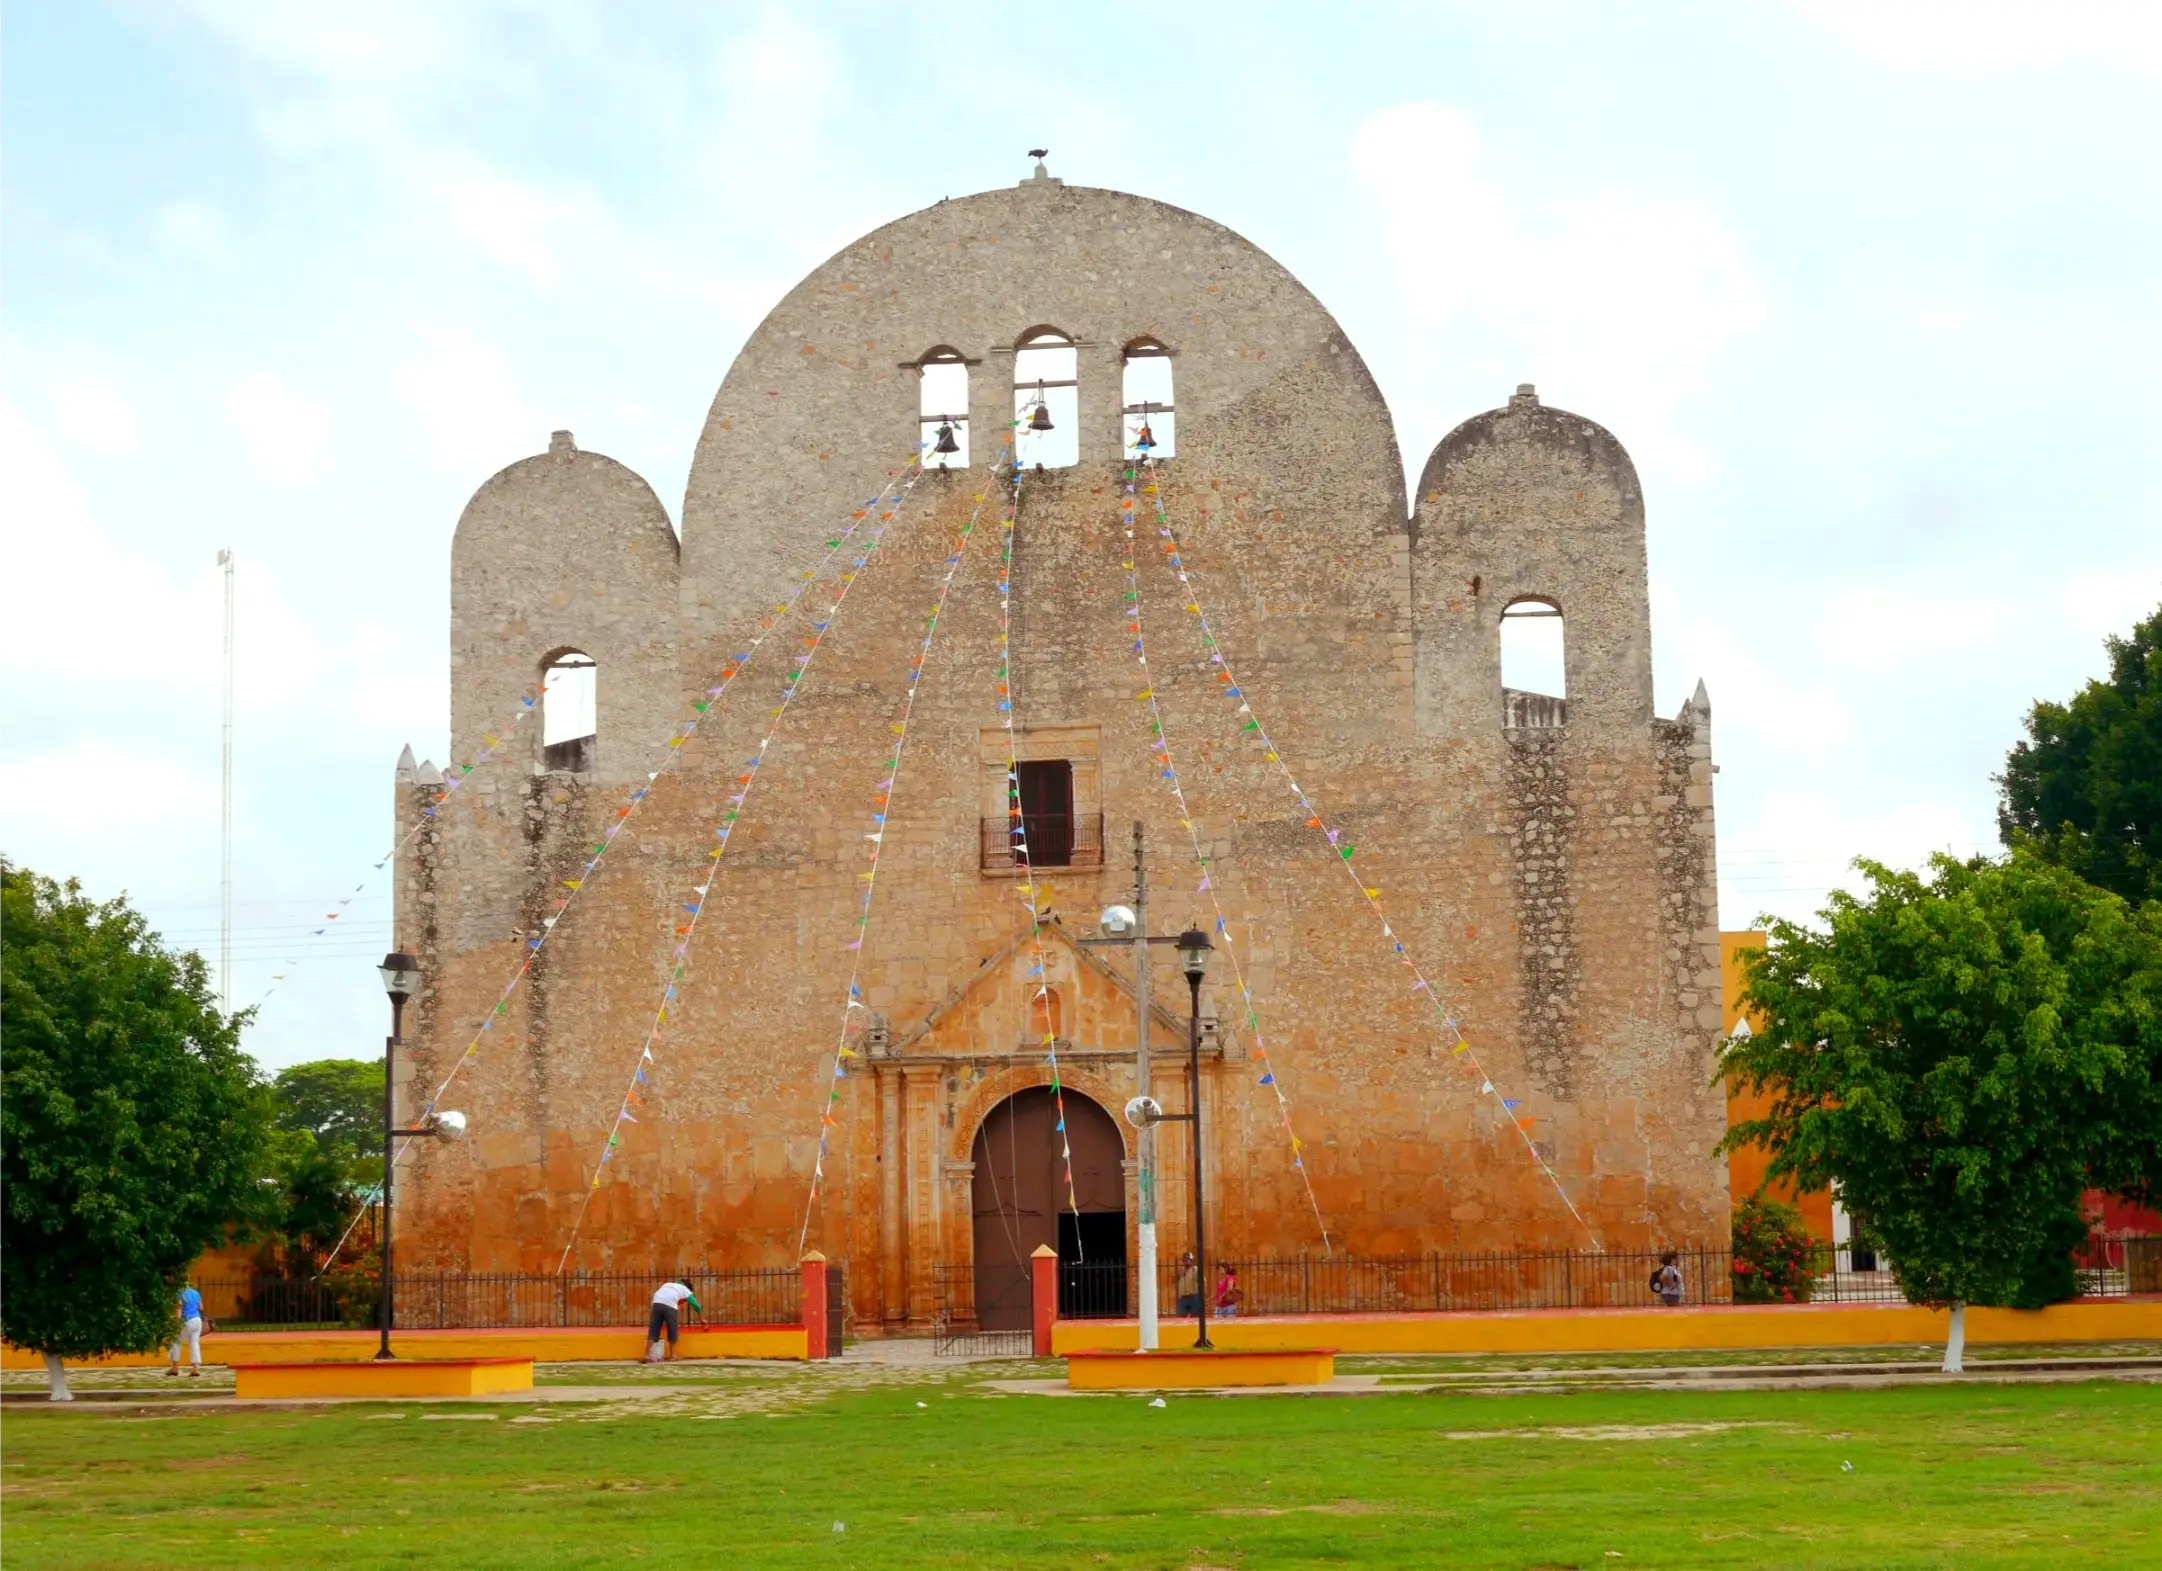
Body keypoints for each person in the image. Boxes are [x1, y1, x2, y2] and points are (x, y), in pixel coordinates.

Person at [645, 1280, 705, 1362]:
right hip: (670, 1305)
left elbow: (662, 1295)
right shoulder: (685, 1289)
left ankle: (646, 1355)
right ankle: (673, 1355)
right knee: (672, 1329)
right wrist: (702, 1319)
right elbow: (696, 1306)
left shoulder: (667, 1284)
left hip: (656, 1303)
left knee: (654, 1329)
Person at [167, 1282, 210, 1377]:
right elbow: (201, 1307)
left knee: (176, 1342)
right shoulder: (196, 1293)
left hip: (186, 1320)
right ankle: (196, 1369)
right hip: (197, 1320)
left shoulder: (179, 1294)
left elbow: (179, 1309)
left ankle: (175, 1368)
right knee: (194, 1344)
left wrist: (176, 1323)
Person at [1173, 1251, 1200, 1317]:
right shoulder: (1181, 1270)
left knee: (1195, 1317)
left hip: (1193, 1297)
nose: (1184, 1262)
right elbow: (1174, 1281)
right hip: (1183, 1298)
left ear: (1191, 1260)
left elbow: (1203, 1282)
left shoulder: (1195, 1270)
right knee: (1181, 1318)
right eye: (1183, 1260)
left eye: (1186, 1260)